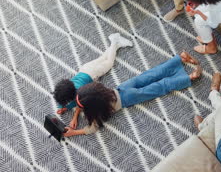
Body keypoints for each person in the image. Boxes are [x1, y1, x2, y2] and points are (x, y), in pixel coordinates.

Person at [62, 52, 202, 136]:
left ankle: (188, 78)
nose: (78, 107)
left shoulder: (99, 111)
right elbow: (83, 98)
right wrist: (75, 116)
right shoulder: (96, 93)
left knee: (159, 87)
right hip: (123, 87)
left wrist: (74, 132)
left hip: (128, 98)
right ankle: (180, 58)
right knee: (151, 75)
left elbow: (92, 128)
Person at [53, 33, 132, 123]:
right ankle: (116, 45)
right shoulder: (66, 89)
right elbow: (62, 103)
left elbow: (79, 104)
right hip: (84, 69)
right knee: (103, 58)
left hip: (94, 73)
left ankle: (114, 41)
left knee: (109, 62)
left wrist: (74, 117)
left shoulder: (79, 92)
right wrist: (63, 109)